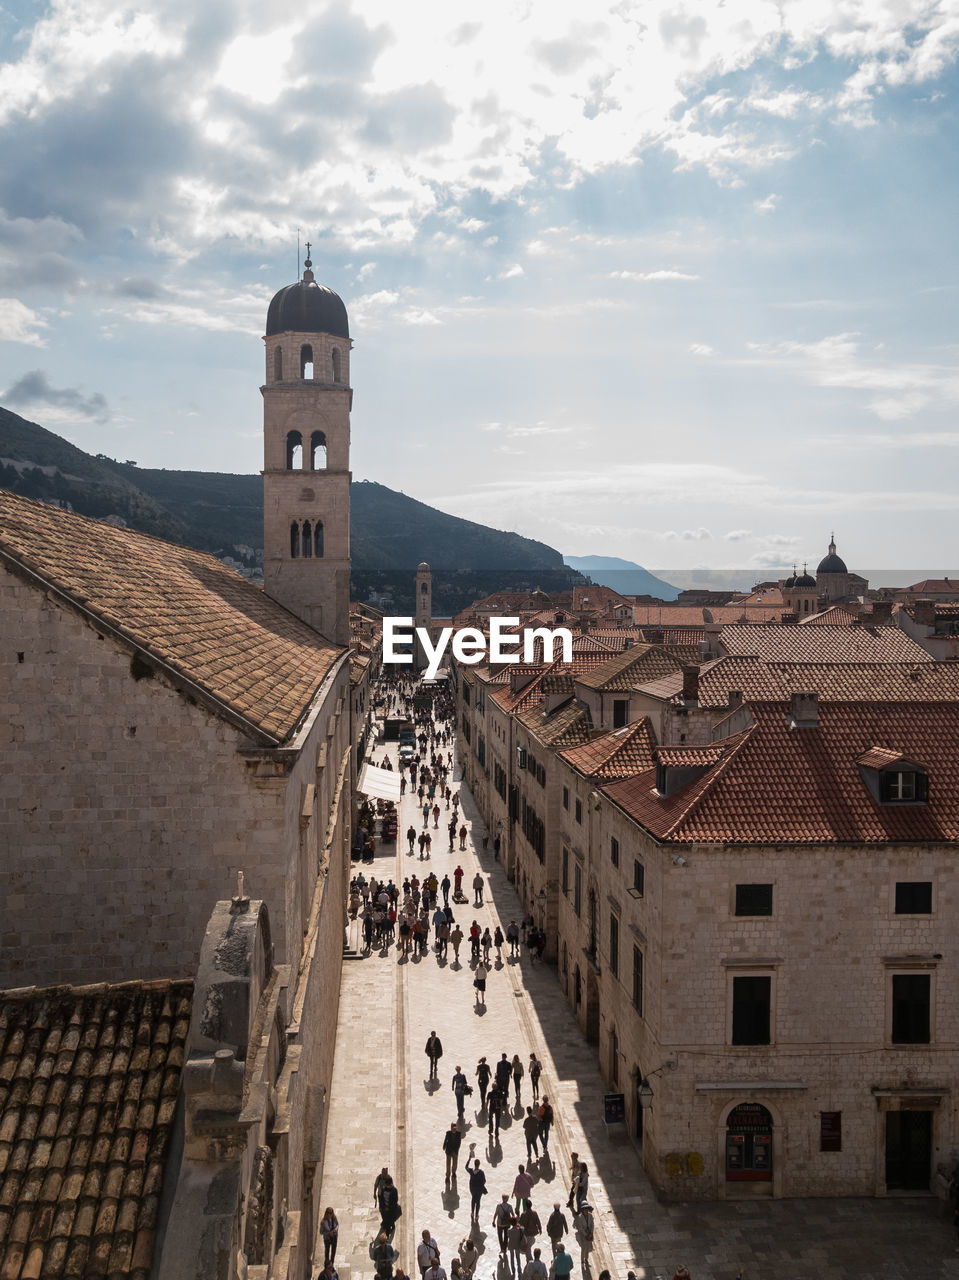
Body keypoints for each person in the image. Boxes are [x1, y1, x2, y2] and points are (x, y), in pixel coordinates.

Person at [573, 1203, 594, 1269]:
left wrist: (591, 1232)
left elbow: (592, 1224)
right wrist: (586, 1234)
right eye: (584, 1209)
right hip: (583, 1236)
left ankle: (586, 1259)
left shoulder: (590, 1216)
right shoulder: (580, 1217)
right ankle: (582, 1261)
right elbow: (580, 1228)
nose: (586, 1210)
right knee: (583, 1248)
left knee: (588, 1248)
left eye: (586, 1209)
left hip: (589, 1234)